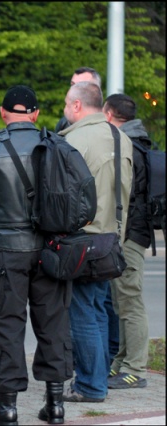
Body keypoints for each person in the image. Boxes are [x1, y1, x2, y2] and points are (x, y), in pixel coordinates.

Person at [0, 85, 73, 425]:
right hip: (50, 248)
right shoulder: (56, 144)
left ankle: (7, 406)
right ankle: (55, 404)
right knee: (53, 324)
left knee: (8, 325)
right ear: (36, 114)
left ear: (2, 112)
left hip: (9, 251)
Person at [58, 82, 133, 403]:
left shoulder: (74, 140)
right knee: (101, 311)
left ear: (77, 106)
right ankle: (98, 378)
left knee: (83, 314)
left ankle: (90, 385)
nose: (64, 109)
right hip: (111, 239)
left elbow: (61, 195)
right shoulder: (122, 137)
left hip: (82, 240)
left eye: (65, 103)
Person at [103, 93, 151, 389]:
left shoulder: (127, 146)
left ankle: (136, 368)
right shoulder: (139, 142)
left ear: (109, 114)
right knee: (122, 301)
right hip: (134, 232)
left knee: (130, 302)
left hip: (130, 235)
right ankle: (122, 362)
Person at [55, 67, 102, 132]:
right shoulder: (63, 123)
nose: (74, 89)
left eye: (82, 85)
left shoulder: (109, 123)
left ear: (96, 89)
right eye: (73, 84)